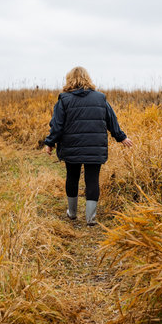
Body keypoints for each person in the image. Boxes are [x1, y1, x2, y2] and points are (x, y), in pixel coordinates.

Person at [44, 66, 133, 226]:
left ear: (69, 79)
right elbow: (111, 120)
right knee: (92, 180)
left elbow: (57, 125)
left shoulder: (64, 99)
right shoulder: (100, 98)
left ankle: (72, 213)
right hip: (95, 146)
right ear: (88, 78)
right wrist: (121, 137)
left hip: (71, 146)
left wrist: (50, 143)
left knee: (72, 177)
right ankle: (90, 219)